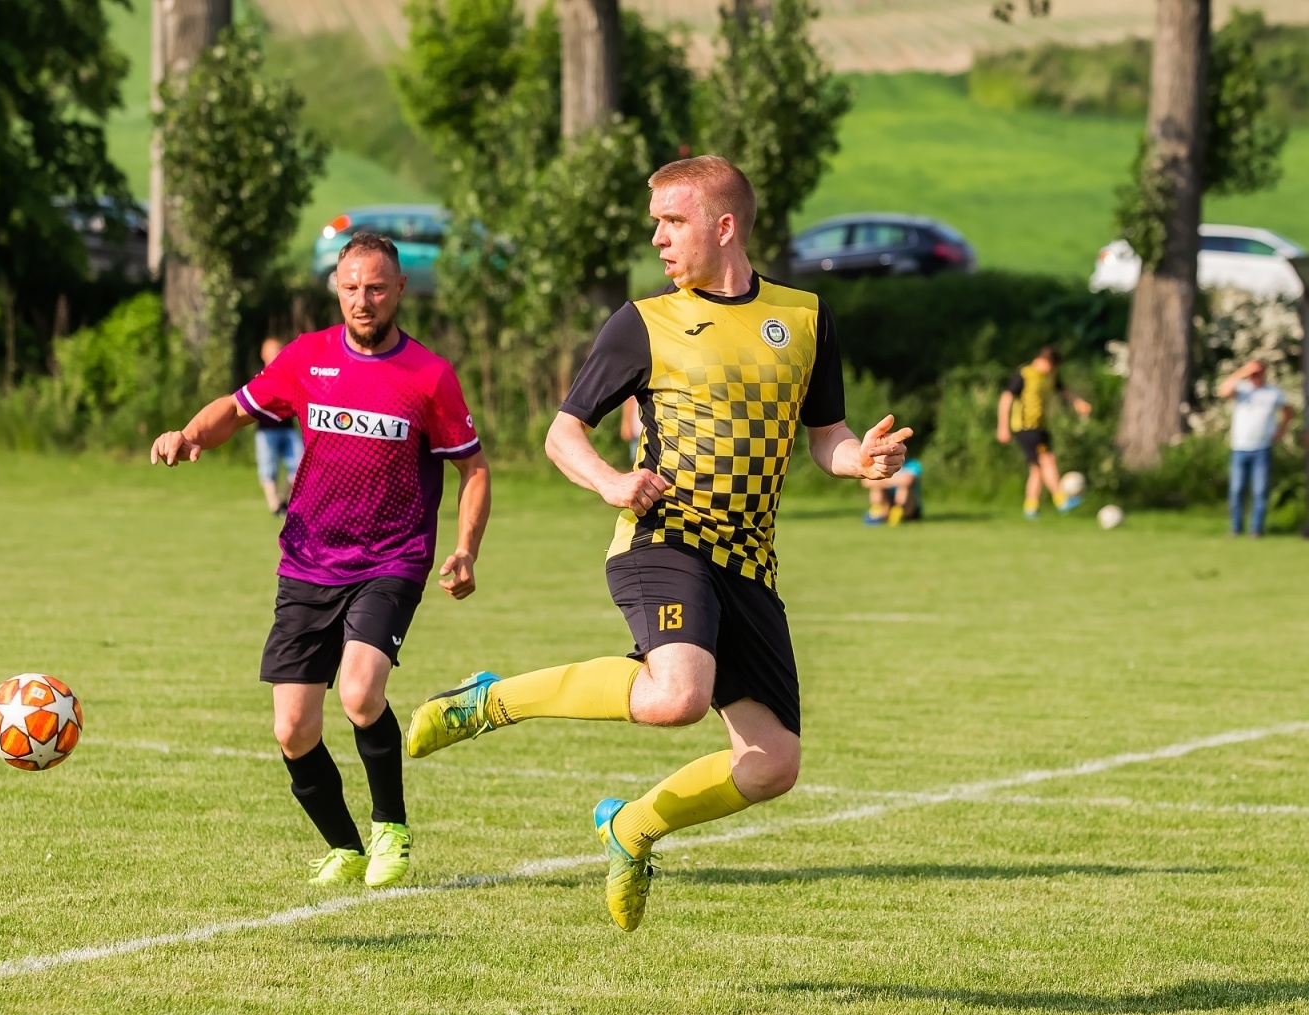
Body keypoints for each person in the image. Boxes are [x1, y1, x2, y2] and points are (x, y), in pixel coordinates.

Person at [404, 156, 911, 931]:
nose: (658, 238)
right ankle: (489, 702)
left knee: (774, 764)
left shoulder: (805, 317)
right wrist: (612, 483)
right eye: (658, 224)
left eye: (673, 222)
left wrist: (862, 462)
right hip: (664, 539)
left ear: (725, 226)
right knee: (678, 695)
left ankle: (632, 826)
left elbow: (827, 437)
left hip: (749, 563)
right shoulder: (645, 321)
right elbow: (562, 432)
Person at [149, 233, 491, 887]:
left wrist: (466, 548)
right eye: (351, 287)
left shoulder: (429, 376)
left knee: (362, 693)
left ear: (399, 291)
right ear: (337, 288)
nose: (363, 299)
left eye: (377, 287)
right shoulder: (307, 358)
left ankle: (391, 829)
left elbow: (473, 469)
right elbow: (238, 407)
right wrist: (191, 434)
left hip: (392, 558)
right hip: (307, 560)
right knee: (293, 729)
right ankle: (346, 846)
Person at [996, 345, 1090, 518]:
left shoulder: (1050, 376)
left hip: (1041, 427)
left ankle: (1031, 507)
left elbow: (1063, 390)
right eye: (1053, 366)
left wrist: (1078, 403)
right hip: (1025, 427)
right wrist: (1003, 427)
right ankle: (1061, 500)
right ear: (1046, 361)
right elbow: (1006, 398)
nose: (1053, 371)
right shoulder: (1025, 374)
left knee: (1037, 469)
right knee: (1047, 459)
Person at [1218, 359, 1293, 538]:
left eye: (1258, 373)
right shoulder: (1242, 389)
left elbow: (1288, 411)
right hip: (1240, 447)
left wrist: (1281, 431)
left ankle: (1256, 529)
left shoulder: (1273, 392)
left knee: (1259, 491)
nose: (1255, 377)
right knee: (1236, 490)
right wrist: (1243, 371)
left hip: (1262, 448)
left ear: (1264, 373)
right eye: (1252, 374)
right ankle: (1236, 528)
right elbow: (1223, 391)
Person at [254, 337, 302, 517]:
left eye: (279, 350)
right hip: (266, 431)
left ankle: (284, 500)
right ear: (263, 354)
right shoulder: (259, 378)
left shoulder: (290, 376)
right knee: (268, 469)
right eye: (273, 351)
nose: (277, 354)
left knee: (299, 465)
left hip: (288, 429)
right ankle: (274, 505)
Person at [863, 454, 922, 526]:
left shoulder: (912, 464)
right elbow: (866, 482)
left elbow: (907, 481)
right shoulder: (883, 464)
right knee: (877, 488)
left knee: (903, 488)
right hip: (888, 500)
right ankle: (877, 513)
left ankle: (897, 512)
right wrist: (895, 481)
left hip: (908, 504)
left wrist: (884, 480)